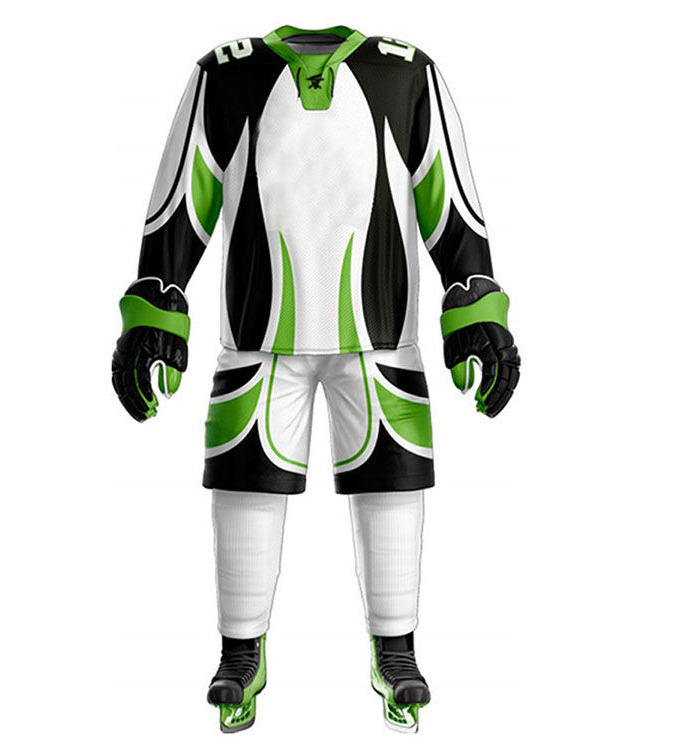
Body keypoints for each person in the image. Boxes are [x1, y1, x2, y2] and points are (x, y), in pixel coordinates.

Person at [112, 25, 520, 733]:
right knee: (245, 480)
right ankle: (240, 652)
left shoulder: (407, 73)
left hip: (381, 333)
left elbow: (449, 196)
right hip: (258, 336)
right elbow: (182, 194)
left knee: (392, 482)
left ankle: (396, 649)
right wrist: (157, 301)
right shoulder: (224, 74)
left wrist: (475, 300)